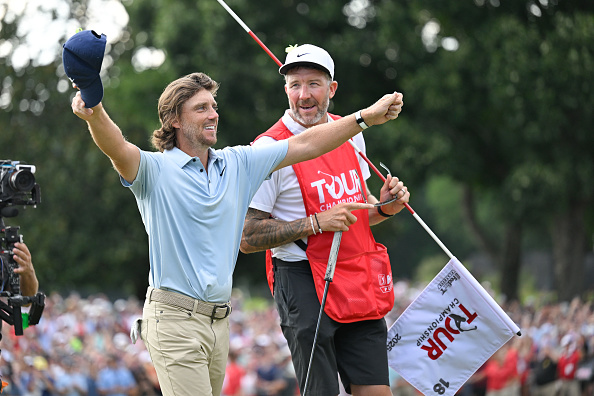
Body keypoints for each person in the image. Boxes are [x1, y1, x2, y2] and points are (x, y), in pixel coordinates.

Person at [69, 44, 403, 396]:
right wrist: (94, 109)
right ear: (174, 120)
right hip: (173, 319)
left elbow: (306, 144)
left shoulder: (238, 162)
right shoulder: (154, 169)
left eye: (213, 106)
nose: (213, 114)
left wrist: (362, 119)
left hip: (218, 319)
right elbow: (116, 147)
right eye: (201, 109)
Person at [240, 44, 409, 396]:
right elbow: (246, 236)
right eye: (295, 85)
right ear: (285, 89)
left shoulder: (351, 132)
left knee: (377, 390)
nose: (304, 95)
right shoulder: (267, 148)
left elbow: (355, 214)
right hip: (301, 280)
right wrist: (314, 223)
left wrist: (384, 208)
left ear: (332, 89)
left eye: (314, 84)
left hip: (356, 272)